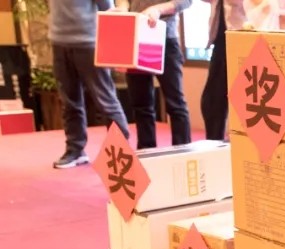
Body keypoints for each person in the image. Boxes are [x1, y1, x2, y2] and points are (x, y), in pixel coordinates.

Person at [50, 0, 131, 169]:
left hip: (89, 43)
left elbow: (109, 10)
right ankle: (75, 150)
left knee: (106, 101)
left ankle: (120, 154)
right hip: (59, 42)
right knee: (69, 102)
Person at [113, 0, 193, 149]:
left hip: (165, 39)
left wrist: (158, 9)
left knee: (175, 104)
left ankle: (183, 152)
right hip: (135, 37)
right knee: (141, 105)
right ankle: (146, 151)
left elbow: (186, 1)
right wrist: (122, 8)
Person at [199, 0, 281, 141]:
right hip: (221, 39)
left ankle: (247, 143)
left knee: (250, 99)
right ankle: (215, 143)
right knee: (212, 101)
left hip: (246, 37)